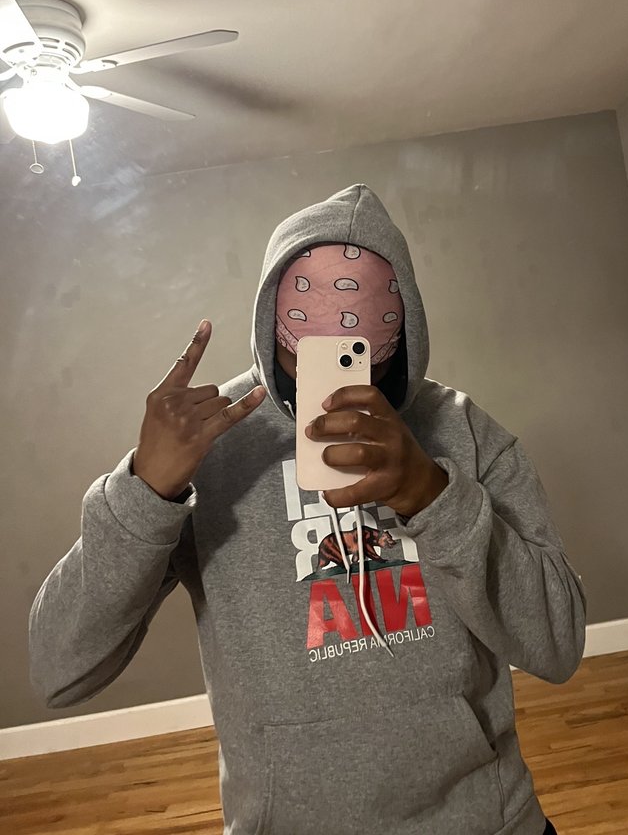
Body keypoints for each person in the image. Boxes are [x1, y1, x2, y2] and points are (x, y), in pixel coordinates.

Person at [29, 183, 585, 835]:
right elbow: (60, 671)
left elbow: (557, 646)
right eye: (306, 322)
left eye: (361, 327)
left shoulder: (465, 433)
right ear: (271, 316)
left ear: (402, 319)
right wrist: (143, 494)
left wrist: (434, 495)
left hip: (488, 820)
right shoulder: (206, 446)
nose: (332, 350)